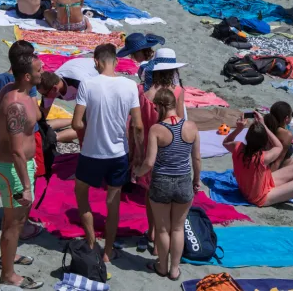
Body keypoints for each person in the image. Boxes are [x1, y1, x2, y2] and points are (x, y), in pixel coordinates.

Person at [71, 44, 144, 263]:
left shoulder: (87, 84)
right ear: (117, 61)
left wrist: (87, 129)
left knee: (81, 193)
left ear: (96, 61)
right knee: (113, 204)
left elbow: (76, 122)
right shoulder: (130, 86)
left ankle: (92, 241)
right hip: (118, 153)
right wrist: (138, 153)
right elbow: (138, 126)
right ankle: (107, 251)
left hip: (92, 152)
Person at [0, 52, 44, 289]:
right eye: (39, 70)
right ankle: (8, 274)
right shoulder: (15, 106)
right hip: (13, 168)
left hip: (20, 166)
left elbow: (39, 118)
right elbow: (16, 151)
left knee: (16, 220)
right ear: (26, 76)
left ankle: (8, 259)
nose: (42, 71)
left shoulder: (24, 92)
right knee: (14, 222)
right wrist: (27, 186)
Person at [132, 88, 200, 281]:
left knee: (162, 229)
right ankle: (175, 269)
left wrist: (138, 173)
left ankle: (162, 266)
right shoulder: (191, 126)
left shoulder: (156, 129)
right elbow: (196, 159)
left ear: (160, 106)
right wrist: (196, 181)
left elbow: (150, 162)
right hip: (183, 180)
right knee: (177, 228)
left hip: (161, 181)